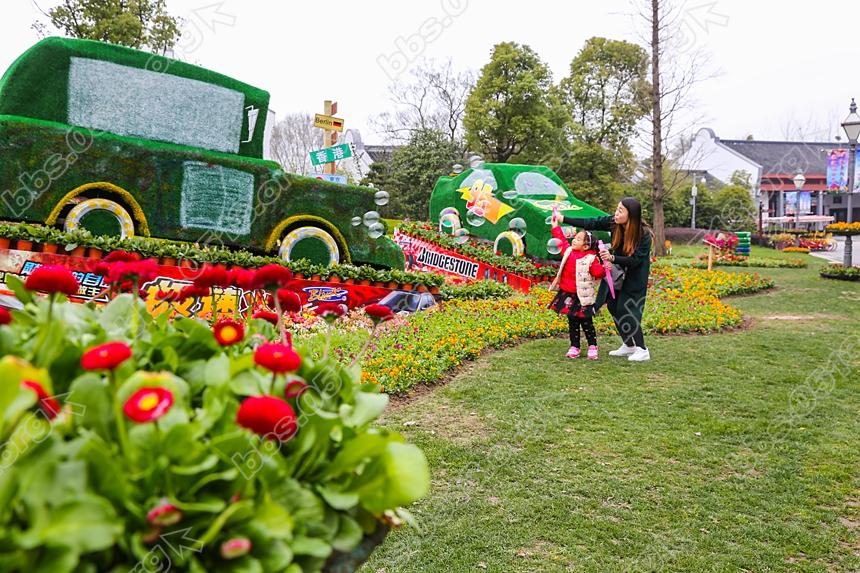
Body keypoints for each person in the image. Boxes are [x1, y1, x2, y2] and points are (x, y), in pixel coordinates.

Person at [556, 197, 653, 362]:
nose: (616, 213)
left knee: (627, 309)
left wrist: (612, 258)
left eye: (621, 211)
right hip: (617, 274)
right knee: (613, 306)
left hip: (635, 276)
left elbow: (636, 260)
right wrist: (563, 218)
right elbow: (591, 222)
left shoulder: (643, 235)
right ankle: (629, 345)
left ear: (631, 215)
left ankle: (642, 349)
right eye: (617, 209)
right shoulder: (614, 223)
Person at [547, 225, 605, 359]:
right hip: (568, 294)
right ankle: (575, 346)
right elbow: (561, 240)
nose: (574, 240)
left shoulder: (591, 258)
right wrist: (555, 227)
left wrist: (604, 267)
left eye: (578, 239)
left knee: (586, 322)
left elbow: (598, 273)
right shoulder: (568, 251)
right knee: (572, 321)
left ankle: (592, 346)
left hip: (583, 296)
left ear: (585, 246)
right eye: (575, 237)